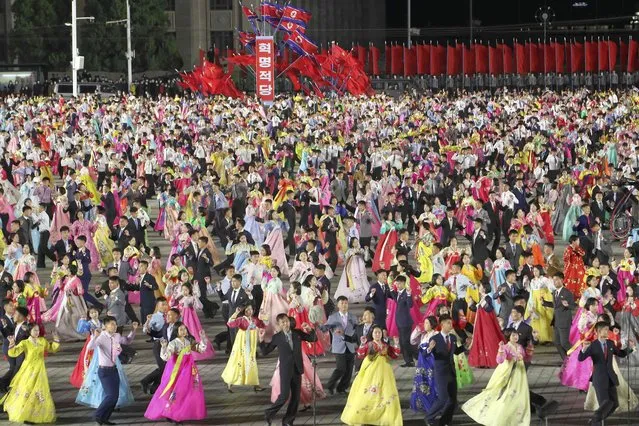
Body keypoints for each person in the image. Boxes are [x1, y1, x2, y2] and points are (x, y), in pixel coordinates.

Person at [462, 328, 530, 426]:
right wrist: (501, 350)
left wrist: (529, 351)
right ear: (508, 337)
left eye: (516, 335)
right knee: (504, 394)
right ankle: (499, 416)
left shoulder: (519, 347)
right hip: (507, 373)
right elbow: (500, 360)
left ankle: (516, 417)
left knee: (519, 394)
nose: (515, 337)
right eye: (513, 335)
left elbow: (526, 358)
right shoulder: (506, 347)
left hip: (519, 374)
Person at [144, 322, 208, 422]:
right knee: (174, 390)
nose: (183, 331)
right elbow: (165, 357)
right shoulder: (173, 343)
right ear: (176, 331)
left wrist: (203, 338)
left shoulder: (189, 341)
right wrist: (164, 347)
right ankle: (170, 412)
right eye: (181, 329)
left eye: (185, 329)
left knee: (186, 390)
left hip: (188, 370)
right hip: (176, 370)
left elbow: (201, 349)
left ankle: (180, 411)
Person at [261, 313, 317, 426]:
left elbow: (313, 339)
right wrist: (261, 340)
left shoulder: (297, 333)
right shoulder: (277, 337)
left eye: (286, 321)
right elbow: (265, 351)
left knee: (296, 398)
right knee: (284, 395)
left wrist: (310, 329)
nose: (286, 324)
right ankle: (269, 413)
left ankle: (288, 420)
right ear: (279, 325)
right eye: (283, 323)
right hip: (285, 370)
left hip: (297, 368)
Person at [340, 325, 402, 426]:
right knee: (368, 392)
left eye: (379, 332)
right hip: (371, 371)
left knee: (385, 392)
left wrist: (396, 344)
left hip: (385, 372)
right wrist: (362, 344)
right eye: (375, 332)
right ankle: (365, 415)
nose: (377, 334)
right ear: (372, 334)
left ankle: (385, 416)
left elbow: (394, 355)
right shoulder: (369, 344)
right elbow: (360, 355)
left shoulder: (385, 345)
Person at [578, 321, 636, 426]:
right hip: (599, 380)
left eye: (608, 329)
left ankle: (595, 420)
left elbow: (621, 353)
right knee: (604, 405)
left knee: (614, 404)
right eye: (605, 329)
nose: (608, 331)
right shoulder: (593, 345)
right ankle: (596, 423)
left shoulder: (610, 343)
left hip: (611, 379)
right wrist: (584, 348)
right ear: (598, 331)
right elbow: (581, 358)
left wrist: (630, 348)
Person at [1, 325, 60, 424]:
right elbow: (13, 353)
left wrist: (56, 339)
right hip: (28, 369)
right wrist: (12, 343)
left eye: (38, 330)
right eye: (34, 330)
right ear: (29, 331)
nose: (37, 332)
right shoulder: (25, 343)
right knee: (27, 390)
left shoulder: (42, 341)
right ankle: (24, 413)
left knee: (39, 391)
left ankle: (35, 414)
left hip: (40, 370)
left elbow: (52, 348)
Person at [87, 315, 138, 425]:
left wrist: (133, 330)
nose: (114, 326)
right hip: (104, 371)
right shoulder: (101, 337)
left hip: (114, 370)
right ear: (105, 326)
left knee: (114, 397)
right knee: (111, 396)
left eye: (115, 324)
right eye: (112, 324)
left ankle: (104, 418)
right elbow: (90, 347)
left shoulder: (117, 336)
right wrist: (94, 337)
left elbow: (127, 341)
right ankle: (98, 415)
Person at [424, 314, 467, 426]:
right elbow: (425, 354)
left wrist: (465, 346)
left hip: (451, 372)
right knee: (443, 398)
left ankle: (445, 421)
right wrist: (429, 349)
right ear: (442, 324)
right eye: (448, 323)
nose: (450, 325)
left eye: (451, 322)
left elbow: (456, 352)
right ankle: (429, 417)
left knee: (452, 400)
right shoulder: (435, 339)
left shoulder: (452, 338)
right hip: (441, 373)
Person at [221, 304, 266, 393]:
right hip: (242, 345)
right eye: (247, 310)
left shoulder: (255, 320)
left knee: (251, 362)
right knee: (238, 361)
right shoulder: (241, 320)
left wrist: (264, 316)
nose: (249, 311)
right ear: (244, 311)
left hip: (251, 346)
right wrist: (236, 313)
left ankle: (255, 384)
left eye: (250, 309)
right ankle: (230, 381)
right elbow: (230, 323)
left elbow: (263, 325)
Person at [321, 296, 359, 394]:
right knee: (341, 368)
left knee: (349, 369)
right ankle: (330, 385)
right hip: (339, 346)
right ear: (338, 305)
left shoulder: (353, 317)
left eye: (346, 303)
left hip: (350, 346)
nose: (344, 305)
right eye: (342, 303)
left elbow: (357, 330)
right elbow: (326, 328)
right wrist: (320, 326)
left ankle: (342, 388)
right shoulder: (333, 317)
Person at [542, 272, 576, 360]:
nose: (554, 282)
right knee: (556, 342)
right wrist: (544, 303)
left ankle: (575, 359)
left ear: (562, 280)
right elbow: (555, 305)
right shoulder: (554, 292)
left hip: (564, 321)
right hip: (556, 321)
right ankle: (566, 360)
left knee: (564, 343)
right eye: (553, 280)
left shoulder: (567, 293)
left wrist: (567, 305)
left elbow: (573, 306)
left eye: (556, 280)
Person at [410, 316, 439, 413]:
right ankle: (424, 404)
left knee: (432, 383)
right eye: (424, 323)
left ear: (432, 324)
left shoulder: (435, 334)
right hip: (422, 363)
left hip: (430, 362)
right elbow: (412, 340)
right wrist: (417, 330)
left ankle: (435, 405)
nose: (425, 325)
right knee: (422, 382)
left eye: (427, 323)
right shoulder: (423, 335)